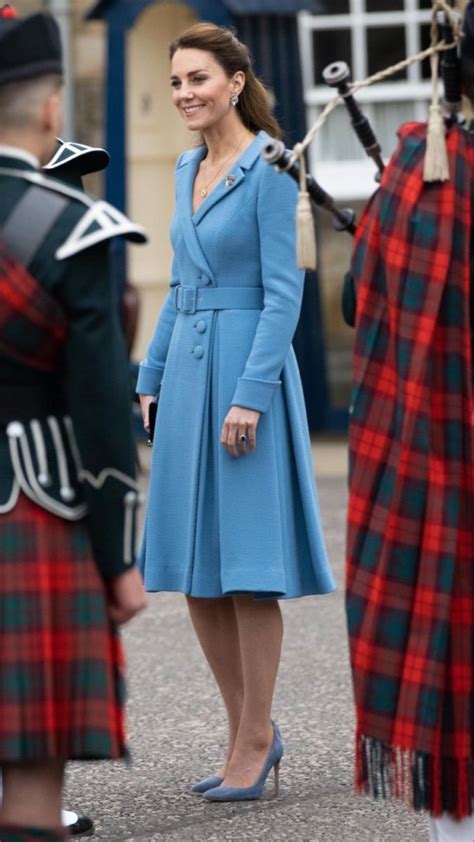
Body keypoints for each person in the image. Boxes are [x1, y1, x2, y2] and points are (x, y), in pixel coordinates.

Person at [137, 22, 335, 803]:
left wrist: (251, 395)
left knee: (248, 573)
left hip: (245, 376)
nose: (186, 93)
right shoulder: (187, 164)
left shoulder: (271, 169)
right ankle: (247, 729)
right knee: (195, 572)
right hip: (185, 374)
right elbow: (181, 282)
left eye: (198, 79)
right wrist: (147, 374)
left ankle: (256, 736)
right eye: (177, 80)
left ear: (235, 80)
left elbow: (286, 297)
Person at [0, 7, 147, 841]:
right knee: (29, 797)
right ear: (52, 109)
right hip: (36, 507)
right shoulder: (71, 226)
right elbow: (99, 412)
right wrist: (118, 561)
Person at [345, 4, 474, 840]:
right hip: (446, 448)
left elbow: (359, 301)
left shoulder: (411, 170)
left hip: (415, 459)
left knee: (441, 659)